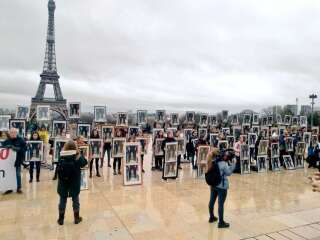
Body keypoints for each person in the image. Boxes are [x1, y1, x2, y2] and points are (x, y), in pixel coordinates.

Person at [57, 140, 88, 225]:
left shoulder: (61, 156)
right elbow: (85, 163)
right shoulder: (77, 157)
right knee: (75, 200)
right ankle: (76, 218)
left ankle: (61, 219)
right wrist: (79, 153)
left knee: (62, 200)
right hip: (74, 182)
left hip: (63, 181)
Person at [208, 149, 236, 228]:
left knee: (211, 201)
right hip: (222, 186)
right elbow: (228, 173)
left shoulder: (214, 161)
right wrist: (233, 164)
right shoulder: (223, 164)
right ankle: (221, 222)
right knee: (221, 204)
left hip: (213, 185)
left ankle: (211, 217)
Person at [2, 128, 26, 194]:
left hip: (18, 160)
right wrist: (5, 147)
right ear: (9, 133)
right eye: (11, 132)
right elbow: (2, 149)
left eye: (14, 132)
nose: (13, 134)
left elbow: (24, 150)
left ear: (17, 133)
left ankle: (19, 188)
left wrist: (15, 148)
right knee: (9, 174)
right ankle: (9, 188)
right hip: (8, 162)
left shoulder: (21, 140)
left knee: (17, 174)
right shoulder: (6, 141)